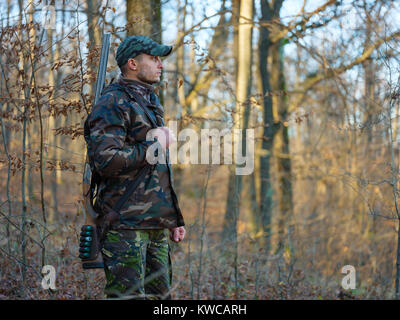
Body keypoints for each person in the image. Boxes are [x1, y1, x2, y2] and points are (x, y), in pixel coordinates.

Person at [84, 35, 186, 299]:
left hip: (154, 224)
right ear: (132, 63)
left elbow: (157, 171)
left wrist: (172, 217)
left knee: (161, 299)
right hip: (125, 224)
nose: (160, 65)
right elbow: (106, 160)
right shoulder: (113, 102)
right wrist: (154, 146)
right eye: (153, 59)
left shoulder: (150, 103)